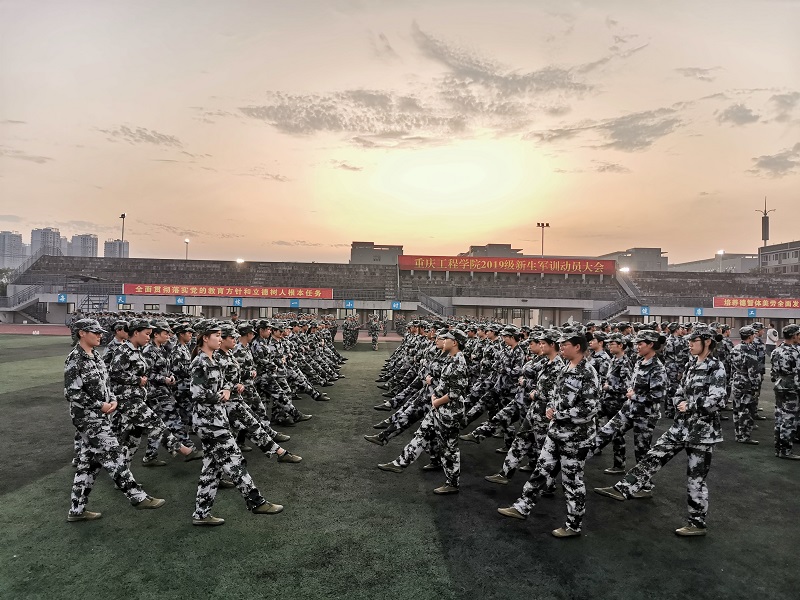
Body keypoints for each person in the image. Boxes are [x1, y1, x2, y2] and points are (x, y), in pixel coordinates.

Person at [594, 326, 727, 536]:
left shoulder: (715, 367)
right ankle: (624, 488)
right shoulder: (692, 364)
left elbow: (718, 400)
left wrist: (691, 405)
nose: (689, 344)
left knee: (696, 479)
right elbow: (679, 390)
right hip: (681, 426)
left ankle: (697, 524)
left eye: (693, 341)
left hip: (702, 432)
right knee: (653, 456)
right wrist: (679, 400)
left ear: (707, 342)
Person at [497, 328, 599, 538]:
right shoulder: (566, 367)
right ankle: (523, 506)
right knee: (541, 470)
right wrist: (551, 408)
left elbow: (589, 409)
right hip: (556, 431)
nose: (561, 347)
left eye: (565, 344)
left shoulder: (587, 372)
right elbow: (555, 394)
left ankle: (573, 525)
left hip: (575, 438)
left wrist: (560, 414)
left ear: (577, 347)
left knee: (572, 481)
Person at [65, 319, 169, 522]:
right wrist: (99, 405)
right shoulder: (75, 358)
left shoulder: (95, 356)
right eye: (94, 332)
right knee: (114, 453)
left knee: (88, 465)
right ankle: (137, 497)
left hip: (101, 414)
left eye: (99, 332)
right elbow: (72, 393)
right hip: (88, 418)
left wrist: (112, 399)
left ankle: (76, 510)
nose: (99, 335)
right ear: (81, 333)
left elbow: (107, 383)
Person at [190, 320, 285, 526]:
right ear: (205, 338)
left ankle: (201, 514)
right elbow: (197, 394)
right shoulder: (200, 362)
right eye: (216, 335)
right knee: (235, 460)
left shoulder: (214, 359)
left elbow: (224, 383)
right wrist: (221, 395)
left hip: (216, 419)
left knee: (211, 469)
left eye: (220, 335)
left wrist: (228, 389)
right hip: (209, 423)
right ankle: (256, 501)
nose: (219, 338)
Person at [377, 329, 470, 495]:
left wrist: (436, 401)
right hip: (439, 407)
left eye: (447, 339)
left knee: (449, 448)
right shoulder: (451, 358)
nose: (443, 341)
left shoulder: (459, 362)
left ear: (455, 342)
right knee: (421, 434)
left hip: (449, 412)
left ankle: (452, 483)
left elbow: (456, 392)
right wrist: (435, 395)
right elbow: (444, 383)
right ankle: (400, 463)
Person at [770, 324, 800, 460]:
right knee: (790, 419)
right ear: (794, 336)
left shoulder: (776, 350)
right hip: (793, 387)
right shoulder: (796, 352)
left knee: (779, 416)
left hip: (780, 385)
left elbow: (773, 373)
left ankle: (778, 448)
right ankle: (785, 450)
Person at [729, 326, 761, 445]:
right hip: (746, 382)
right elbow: (753, 371)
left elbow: (732, 366)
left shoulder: (735, 348)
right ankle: (744, 435)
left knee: (737, 408)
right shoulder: (749, 350)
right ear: (750, 336)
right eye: (753, 335)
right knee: (746, 409)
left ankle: (738, 433)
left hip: (736, 379)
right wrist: (756, 386)